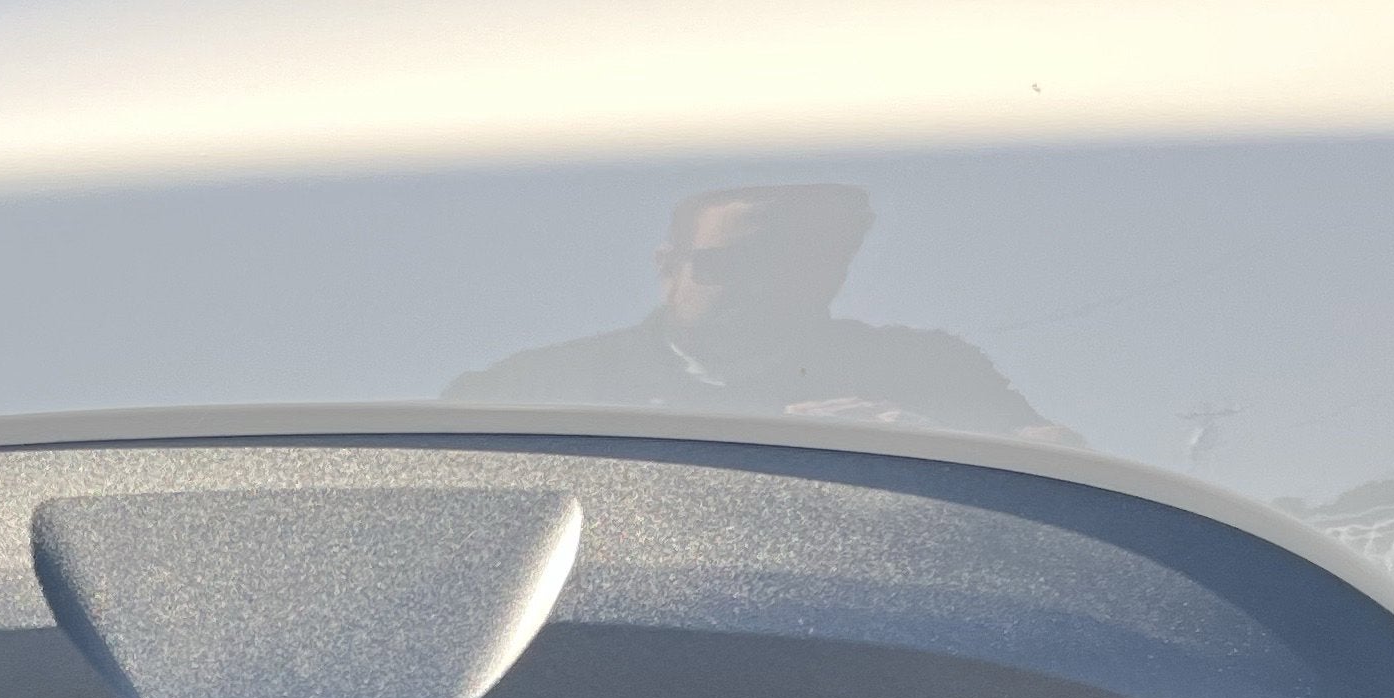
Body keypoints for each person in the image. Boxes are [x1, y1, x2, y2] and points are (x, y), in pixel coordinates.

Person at [451, 182, 1069, 440]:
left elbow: (1073, 472)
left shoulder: (930, 371)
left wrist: (934, 445)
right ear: (669, 267)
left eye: (793, 266)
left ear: (834, 275)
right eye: (730, 264)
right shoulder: (533, 386)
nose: (758, 288)